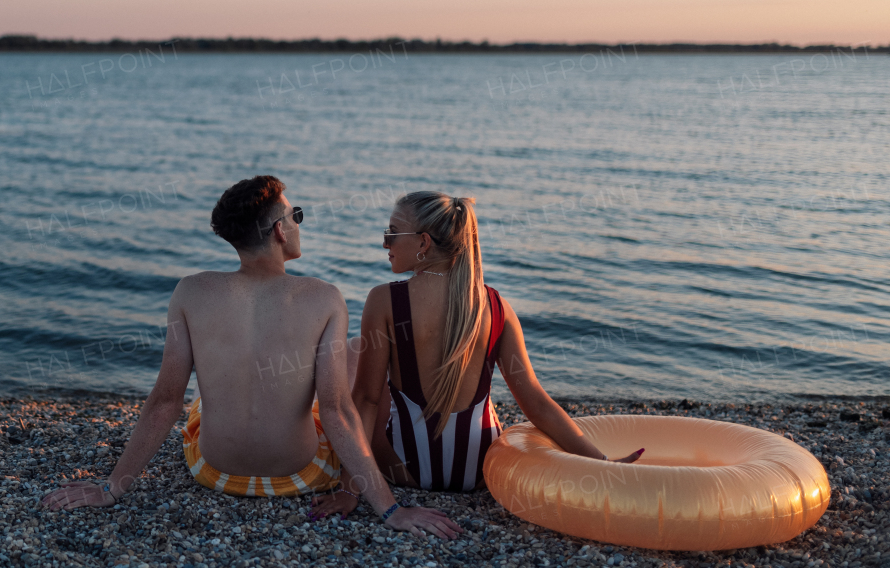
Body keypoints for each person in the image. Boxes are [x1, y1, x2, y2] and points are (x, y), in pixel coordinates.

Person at [41, 176, 461, 538]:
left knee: (201, 401)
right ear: (279, 231)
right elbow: (336, 412)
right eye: (295, 215)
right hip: (301, 475)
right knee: (354, 360)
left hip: (214, 472)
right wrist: (391, 509)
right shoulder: (323, 298)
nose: (298, 223)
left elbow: (165, 401)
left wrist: (111, 488)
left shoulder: (190, 291)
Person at [312, 191, 641, 516]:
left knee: (357, 358)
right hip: (479, 472)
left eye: (392, 233)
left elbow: (367, 401)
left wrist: (348, 490)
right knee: (483, 394)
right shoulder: (497, 306)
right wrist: (602, 465)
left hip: (406, 471)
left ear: (423, 243)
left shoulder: (384, 300)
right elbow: (536, 403)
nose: (386, 243)